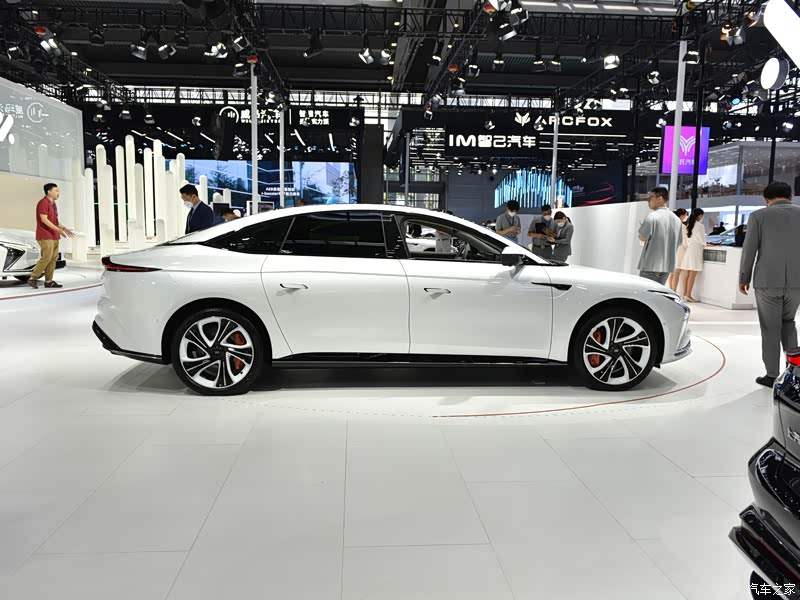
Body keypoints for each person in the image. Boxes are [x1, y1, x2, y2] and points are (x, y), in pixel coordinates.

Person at [739, 181, 800, 388]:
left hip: (767, 281)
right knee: (789, 323)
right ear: (790, 196)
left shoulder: (758, 216)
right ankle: (794, 373)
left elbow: (750, 249)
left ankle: (772, 375)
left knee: (770, 328)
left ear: (766, 199)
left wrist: (744, 277)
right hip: (797, 282)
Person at [27, 183, 75, 289]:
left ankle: (48, 281)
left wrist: (64, 228)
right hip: (45, 235)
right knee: (46, 258)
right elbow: (44, 220)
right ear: (49, 191)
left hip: (54, 235)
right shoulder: (43, 203)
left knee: (53, 259)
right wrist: (58, 230)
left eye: (58, 191)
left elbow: (55, 221)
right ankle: (33, 278)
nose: (58, 193)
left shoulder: (53, 204)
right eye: (56, 190)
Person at [637, 186, 683, 285]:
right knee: (659, 292)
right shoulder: (677, 220)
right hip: (667, 267)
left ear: (660, 199)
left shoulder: (652, 217)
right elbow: (679, 242)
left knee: (645, 292)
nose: (648, 201)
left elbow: (642, 237)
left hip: (650, 265)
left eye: (650, 198)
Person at [678, 208, 706, 302]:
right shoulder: (700, 226)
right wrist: (706, 244)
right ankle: (688, 295)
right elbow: (702, 240)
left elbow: (687, 239)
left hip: (690, 250)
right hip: (696, 250)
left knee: (687, 274)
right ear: (700, 216)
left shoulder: (689, 225)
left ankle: (684, 294)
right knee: (692, 275)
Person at [668, 209, 689, 291]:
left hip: (672, 250)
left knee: (672, 273)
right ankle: (674, 291)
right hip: (680, 250)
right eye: (686, 215)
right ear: (681, 216)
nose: (686, 217)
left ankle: (670, 290)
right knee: (677, 272)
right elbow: (685, 241)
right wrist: (688, 247)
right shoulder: (682, 227)